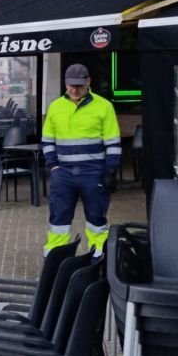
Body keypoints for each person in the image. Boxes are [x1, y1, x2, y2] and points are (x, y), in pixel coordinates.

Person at [41, 63, 121, 258]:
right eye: (71, 85)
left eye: (79, 85)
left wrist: (111, 172)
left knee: (96, 221)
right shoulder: (55, 107)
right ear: (65, 83)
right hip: (63, 174)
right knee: (58, 221)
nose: (75, 89)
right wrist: (53, 167)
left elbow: (113, 143)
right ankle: (54, 261)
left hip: (93, 173)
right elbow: (47, 141)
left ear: (88, 82)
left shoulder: (104, 107)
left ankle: (98, 260)